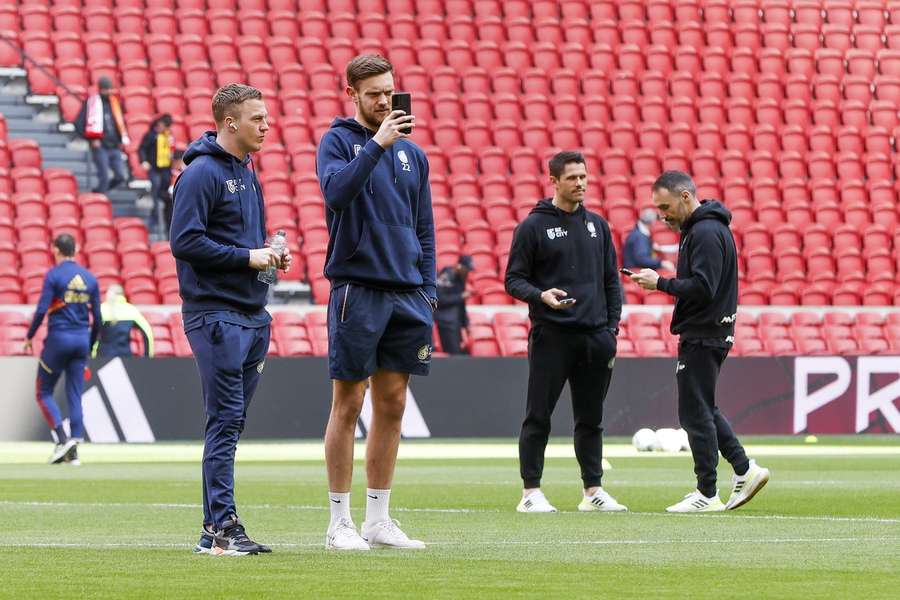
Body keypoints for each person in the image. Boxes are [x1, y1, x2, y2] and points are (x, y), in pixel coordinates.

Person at [316, 54, 434, 550]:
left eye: (388, 90)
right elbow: (336, 193)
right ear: (352, 94)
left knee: (393, 402)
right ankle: (338, 523)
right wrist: (377, 145)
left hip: (407, 293)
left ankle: (378, 520)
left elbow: (424, 226)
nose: (384, 100)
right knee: (349, 403)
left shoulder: (414, 155)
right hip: (357, 289)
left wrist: (427, 289)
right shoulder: (338, 142)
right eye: (373, 93)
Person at [170, 83, 292, 556]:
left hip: (250, 312)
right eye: (257, 118)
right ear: (230, 122)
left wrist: (268, 256)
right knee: (225, 421)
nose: (266, 124)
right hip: (215, 312)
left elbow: (237, 243)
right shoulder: (201, 174)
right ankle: (222, 527)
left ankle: (211, 531)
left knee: (230, 422)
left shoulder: (246, 171)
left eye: (266, 117)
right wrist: (248, 257)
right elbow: (184, 242)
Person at [627, 171, 770, 513]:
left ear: (686, 197)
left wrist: (660, 283)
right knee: (701, 408)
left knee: (694, 413)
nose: (663, 215)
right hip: (710, 330)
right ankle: (743, 469)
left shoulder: (704, 232)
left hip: (705, 331)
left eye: (666, 206)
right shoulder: (706, 228)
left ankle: (708, 491)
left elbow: (704, 287)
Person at [505, 150, 626, 514]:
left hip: (595, 338)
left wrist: (611, 330)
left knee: (591, 419)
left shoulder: (598, 226)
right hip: (552, 336)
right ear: (554, 181)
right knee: (538, 414)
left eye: (584, 177)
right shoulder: (533, 227)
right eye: (572, 178)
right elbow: (513, 280)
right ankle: (530, 492)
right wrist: (540, 296)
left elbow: (610, 282)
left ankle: (593, 490)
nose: (581, 184)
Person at [23, 234, 101, 466]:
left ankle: (61, 439)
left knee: (43, 391)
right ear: (76, 249)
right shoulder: (90, 278)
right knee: (75, 394)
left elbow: (41, 310)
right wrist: (91, 344)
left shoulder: (54, 275)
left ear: (55, 249)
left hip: (58, 340)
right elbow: (97, 317)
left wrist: (29, 336)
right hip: (80, 341)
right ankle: (73, 452)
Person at [75, 76, 130, 194]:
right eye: (106, 89)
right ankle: (100, 199)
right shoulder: (91, 103)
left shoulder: (115, 103)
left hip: (115, 146)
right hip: (101, 146)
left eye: (110, 89)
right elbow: (78, 124)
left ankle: (98, 193)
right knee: (103, 177)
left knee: (121, 176)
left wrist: (122, 139)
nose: (109, 92)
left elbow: (120, 123)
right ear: (100, 89)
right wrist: (90, 139)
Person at [92, 284, 154, 358]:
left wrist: (92, 355)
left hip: (103, 356)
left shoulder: (102, 309)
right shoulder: (131, 310)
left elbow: (94, 335)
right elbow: (148, 333)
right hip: (124, 356)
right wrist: (147, 356)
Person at [138, 113, 175, 236]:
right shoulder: (151, 135)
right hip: (154, 168)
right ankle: (155, 217)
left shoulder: (168, 136)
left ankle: (164, 217)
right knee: (155, 190)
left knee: (165, 194)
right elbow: (142, 149)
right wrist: (144, 161)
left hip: (165, 169)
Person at [434, 255, 473, 355]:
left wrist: (466, 324)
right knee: (453, 356)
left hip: (455, 323)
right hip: (445, 322)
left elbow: (461, 305)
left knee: (461, 354)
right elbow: (439, 299)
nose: (468, 272)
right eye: (466, 269)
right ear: (459, 266)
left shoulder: (461, 278)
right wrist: (461, 296)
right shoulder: (447, 275)